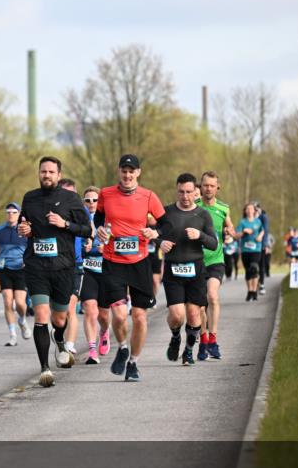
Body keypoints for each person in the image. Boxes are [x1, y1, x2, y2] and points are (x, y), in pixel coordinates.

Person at [16, 156, 93, 387]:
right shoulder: (30, 198)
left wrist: (65, 224)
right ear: (39, 173)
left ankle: (59, 338)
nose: (46, 175)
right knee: (41, 316)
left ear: (59, 176)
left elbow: (87, 230)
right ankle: (45, 369)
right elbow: (24, 224)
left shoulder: (70, 199)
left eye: (51, 172)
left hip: (63, 267)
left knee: (59, 319)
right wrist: (24, 229)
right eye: (43, 171)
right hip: (36, 266)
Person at [93, 153, 166, 382]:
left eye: (131, 171)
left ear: (138, 173)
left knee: (140, 317)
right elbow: (98, 219)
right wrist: (100, 230)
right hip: (113, 261)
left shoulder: (149, 197)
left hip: (139, 262)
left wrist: (155, 233)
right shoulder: (105, 194)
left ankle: (133, 362)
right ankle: (122, 346)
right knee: (119, 314)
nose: (127, 175)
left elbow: (165, 223)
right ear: (119, 171)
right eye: (124, 170)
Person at [158, 174, 218, 366]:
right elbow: (152, 234)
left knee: (193, 314)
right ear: (177, 191)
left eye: (189, 192)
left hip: (196, 270)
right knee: (177, 316)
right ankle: (176, 337)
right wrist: (160, 243)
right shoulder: (166, 213)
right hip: (173, 270)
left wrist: (200, 235)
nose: (185, 196)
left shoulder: (203, 215)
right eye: (181, 192)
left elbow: (213, 244)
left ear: (195, 192)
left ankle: (189, 351)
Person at [195, 171, 233, 361]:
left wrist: (229, 232)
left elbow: (230, 228)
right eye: (205, 185)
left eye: (212, 185)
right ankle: (203, 340)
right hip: (196, 261)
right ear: (200, 186)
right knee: (200, 305)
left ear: (218, 187)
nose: (208, 188)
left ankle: (213, 339)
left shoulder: (223, 208)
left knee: (212, 296)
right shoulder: (195, 206)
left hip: (216, 260)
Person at [79, 186, 110, 364]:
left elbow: (118, 240)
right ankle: (92, 349)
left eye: (95, 200)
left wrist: (106, 248)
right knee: (90, 308)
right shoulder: (80, 219)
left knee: (103, 315)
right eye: (88, 200)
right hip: (88, 268)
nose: (91, 204)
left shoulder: (108, 218)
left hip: (106, 269)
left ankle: (104, 332)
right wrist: (84, 248)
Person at [0, 202, 30, 346]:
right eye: (8, 212)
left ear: (19, 214)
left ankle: (22, 320)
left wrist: (28, 260)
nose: (11, 215)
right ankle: (12, 335)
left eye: (14, 212)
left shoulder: (25, 230)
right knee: (8, 302)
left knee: (20, 303)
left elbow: (31, 247)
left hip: (21, 269)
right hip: (5, 269)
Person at [59, 178, 83, 359]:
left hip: (75, 265)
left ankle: (69, 345)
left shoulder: (81, 213)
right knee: (58, 312)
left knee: (70, 308)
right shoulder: (51, 214)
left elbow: (91, 230)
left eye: (71, 193)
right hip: (56, 266)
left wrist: (91, 242)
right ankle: (60, 340)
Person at [236, 202, 265, 301]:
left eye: (251, 209)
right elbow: (237, 235)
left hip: (256, 249)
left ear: (254, 210)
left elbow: (262, 230)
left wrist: (260, 237)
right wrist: (244, 232)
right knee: (248, 271)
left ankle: (254, 291)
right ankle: (250, 291)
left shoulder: (258, 221)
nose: (249, 211)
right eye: (247, 209)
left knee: (254, 268)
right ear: (245, 211)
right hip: (245, 250)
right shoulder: (242, 222)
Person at [255, 202, 271, 295]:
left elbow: (266, 231)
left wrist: (265, 245)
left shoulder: (263, 217)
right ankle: (255, 283)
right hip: (250, 247)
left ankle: (262, 285)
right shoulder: (248, 217)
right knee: (252, 266)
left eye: (257, 209)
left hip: (261, 245)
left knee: (261, 265)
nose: (255, 211)